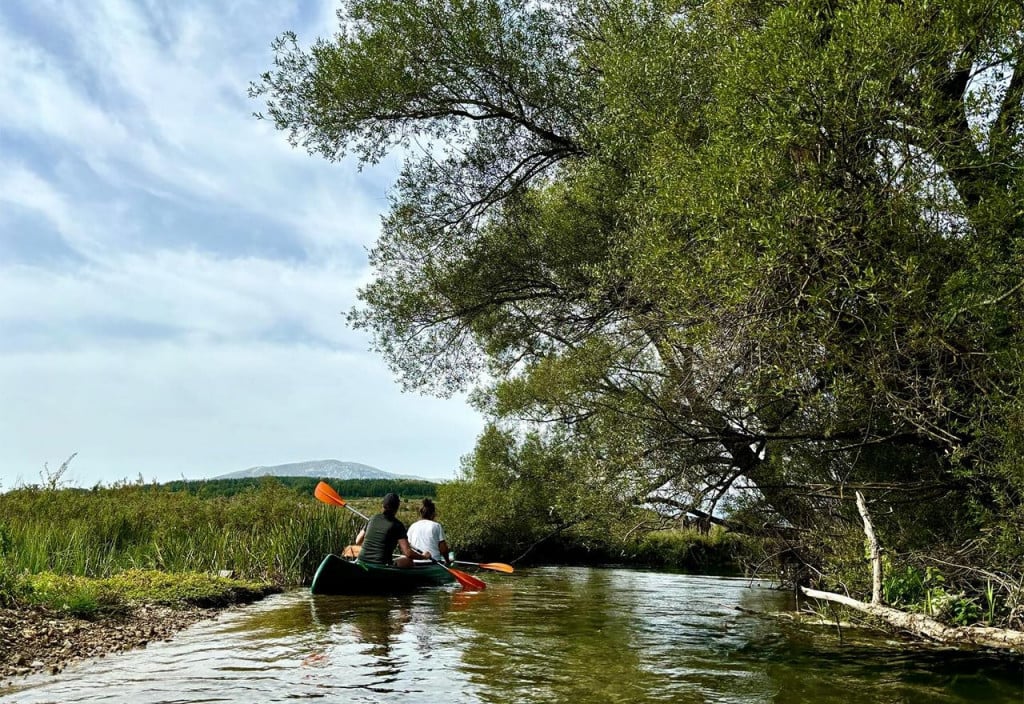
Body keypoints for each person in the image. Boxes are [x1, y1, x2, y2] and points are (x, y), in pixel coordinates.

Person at [354, 492, 431, 568]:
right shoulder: (398, 525)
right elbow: (408, 553)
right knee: (408, 561)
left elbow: (358, 541)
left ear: (383, 505)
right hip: (382, 565)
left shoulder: (372, 518)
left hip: (361, 561)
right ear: (397, 507)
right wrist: (424, 556)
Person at [407, 498, 451, 566]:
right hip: (433, 563)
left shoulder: (413, 526)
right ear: (433, 514)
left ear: (421, 514)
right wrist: (447, 561)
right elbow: (443, 549)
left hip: (415, 563)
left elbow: (407, 547)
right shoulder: (436, 526)